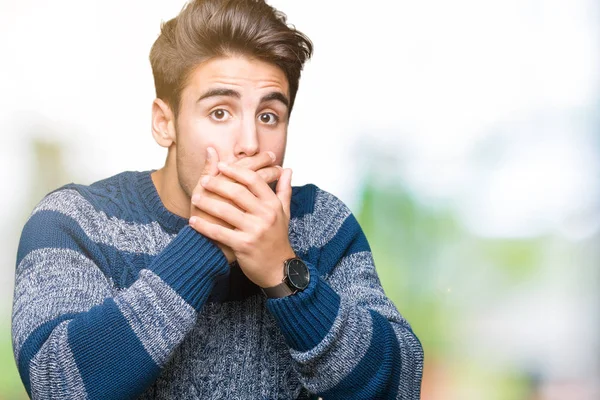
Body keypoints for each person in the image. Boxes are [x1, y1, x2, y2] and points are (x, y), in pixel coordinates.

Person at [12, 0, 424, 398]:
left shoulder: (321, 223)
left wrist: (284, 271)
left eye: (268, 117)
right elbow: (55, 382)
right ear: (164, 123)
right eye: (220, 112)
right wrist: (206, 243)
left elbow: (401, 383)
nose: (249, 143)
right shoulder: (74, 221)